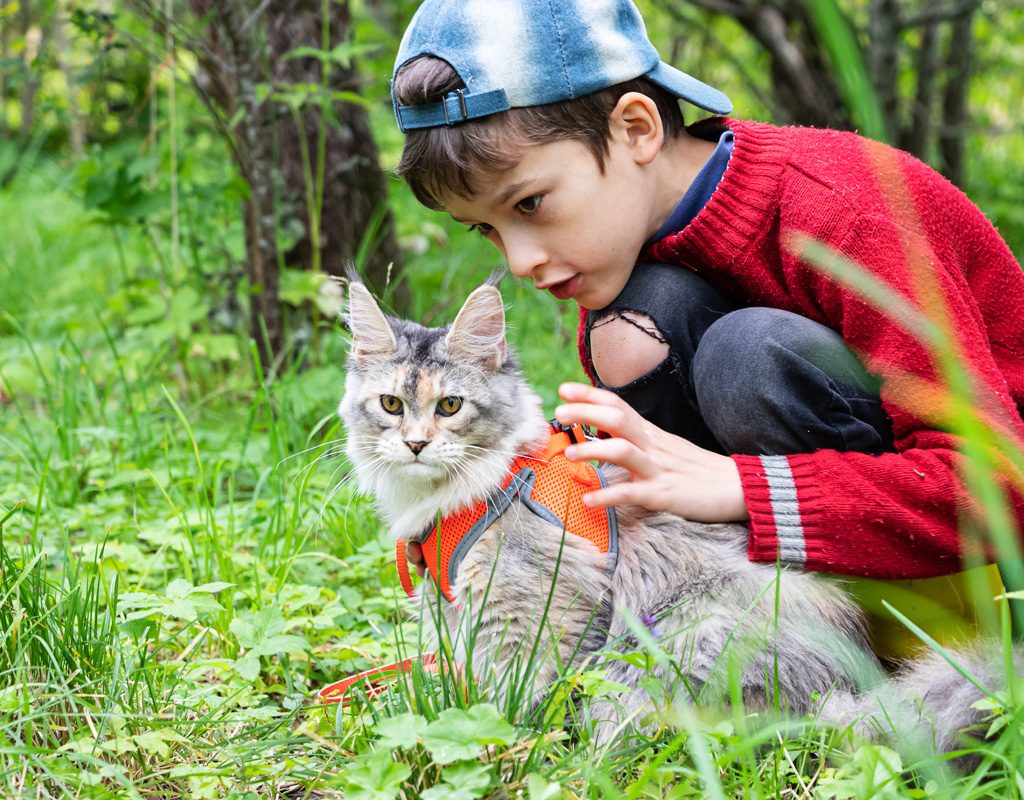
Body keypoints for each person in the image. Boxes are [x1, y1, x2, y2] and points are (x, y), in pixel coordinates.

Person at [387, 0, 1024, 655]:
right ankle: (755, 636)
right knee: (635, 326)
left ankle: (917, 648)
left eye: (530, 203)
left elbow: (1000, 484)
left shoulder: (845, 212)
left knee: (746, 357)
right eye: (488, 228)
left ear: (636, 129)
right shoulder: (630, 260)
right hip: (814, 557)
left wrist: (746, 490)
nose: (519, 261)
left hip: (991, 552)